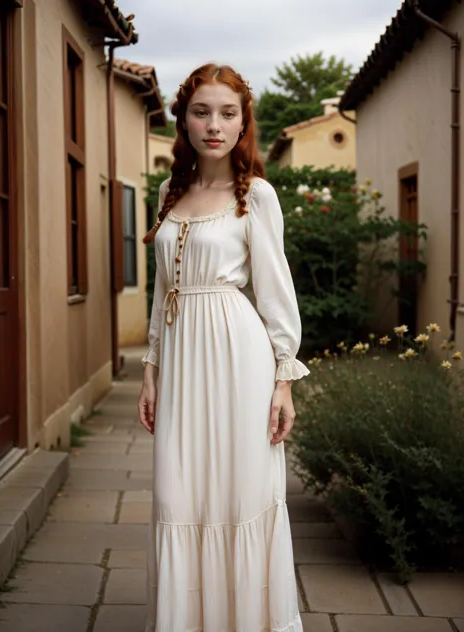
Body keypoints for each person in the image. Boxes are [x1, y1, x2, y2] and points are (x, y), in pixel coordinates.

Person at [138, 63, 309, 631]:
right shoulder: (168, 190)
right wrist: (151, 367)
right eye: (202, 111)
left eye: (228, 113)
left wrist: (283, 380)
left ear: (243, 123)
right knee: (177, 496)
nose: (215, 124)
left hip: (240, 359)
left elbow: (276, 289)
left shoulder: (255, 194)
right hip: (182, 364)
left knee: (241, 493)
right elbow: (164, 287)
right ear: (183, 120)